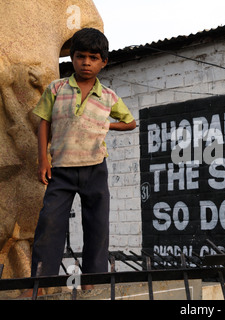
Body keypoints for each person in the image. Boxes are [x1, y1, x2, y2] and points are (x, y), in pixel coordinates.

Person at [29, 28, 136, 290]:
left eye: (93, 57)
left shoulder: (108, 96)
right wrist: (43, 160)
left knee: (97, 229)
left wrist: (105, 126)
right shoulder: (57, 88)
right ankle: (41, 286)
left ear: (103, 62)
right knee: (50, 225)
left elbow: (130, 122)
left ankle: (92, 285)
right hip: (61, 170)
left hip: (95, 168)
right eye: (80, 56)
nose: (86, 62)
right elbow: (43, 122)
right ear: (72, 59)